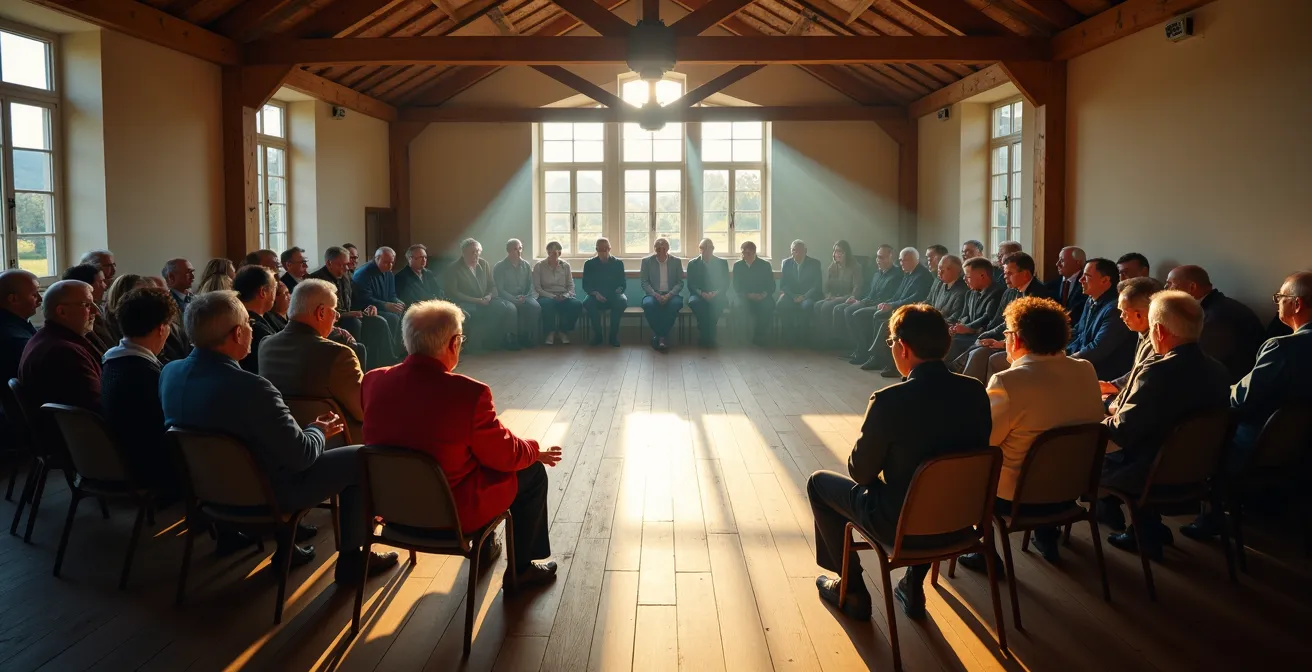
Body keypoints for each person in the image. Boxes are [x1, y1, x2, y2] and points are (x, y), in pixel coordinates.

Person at [161, 290, 398, 577]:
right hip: (266, 495)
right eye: (249, 325)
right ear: (237, 333)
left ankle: (269, 547)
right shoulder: (252, 388)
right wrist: (318, 429)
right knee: (359, 457)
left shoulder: (170, 373)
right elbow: (301, 457)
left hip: (208, 494)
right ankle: (352, 559)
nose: (252, 330)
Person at [362, 300, 562, 590]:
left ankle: (488, 545)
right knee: (529, 473)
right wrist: (533, 450)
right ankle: (521, 571)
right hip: (450, 516)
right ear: (454, 343)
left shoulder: (373, 381)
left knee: (462, 452)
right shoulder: (469, 393)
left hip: (391, 511)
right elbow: (505, 455)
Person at [808, 304, 990, 620]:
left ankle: (851, 590)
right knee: (930, 489)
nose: (891, 348)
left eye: (891, 342)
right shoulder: (975, 391)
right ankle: (912, 582)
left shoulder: (890, 400)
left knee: (819, 483)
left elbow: (860, 473)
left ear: (903, 348)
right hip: (962, 520)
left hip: (901, 526)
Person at [957, 297, 1106, 570]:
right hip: (1072, 489)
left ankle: (984, 552)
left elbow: (984, 442)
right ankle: (1047, 534)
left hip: (1016, 501)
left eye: (1007, 333)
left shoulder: (1008, 381)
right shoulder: (1085, 369)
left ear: (1017, 339)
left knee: (969, 460)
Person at [1181, 271, 1312, 540]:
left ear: (1296, 304)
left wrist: (1217, 388)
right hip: (1298, 444)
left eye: (1280, 297)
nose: (1277, 303)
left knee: (1197, 431)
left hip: (1257, 444)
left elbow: (1241, 398)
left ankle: (1209, 517)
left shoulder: (1283, 347)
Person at [1099, 291, 1230, 559]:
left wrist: (1095, 421)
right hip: (1199, 471)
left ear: (1157, 330)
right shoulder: (1218, 370)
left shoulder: (1157, 371)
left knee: (1085, 453)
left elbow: (1124, 430)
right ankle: (1149, 528)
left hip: (1147, 474)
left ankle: (1141, 529)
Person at [260, 279, 367, 440]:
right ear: (321, 312)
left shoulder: (266, 346)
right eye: (335, 312)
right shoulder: (339, 354)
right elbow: (363, 410)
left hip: (280, 442)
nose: (336, 318)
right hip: (336, 446)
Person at [100, 287, 180, 501]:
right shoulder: (145, 373)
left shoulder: (112, 361)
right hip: (148, 468)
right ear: (162, 329)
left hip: (121, 460)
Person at [954, 252, 1049, 383]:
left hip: (1026, 345)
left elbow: (1031, 331)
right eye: (1005, 273)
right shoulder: (1009, 292)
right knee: (979, 345)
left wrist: (1003, 344)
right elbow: (1001, 321)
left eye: (1010, 273)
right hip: (1007, 339)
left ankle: (980, 394)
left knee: (980, 354)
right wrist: (989, 334)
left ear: (1025, 274)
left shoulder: (1039, 295)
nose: (1005, 277)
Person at [867, 253, 967, 377]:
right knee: (891, 326)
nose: (939, 273)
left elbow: (956, 316)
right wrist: (914, 311)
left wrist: (930, 321)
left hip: (940, 326)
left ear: (953, 270)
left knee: (907, 332)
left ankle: (901, 367)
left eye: (942, 270)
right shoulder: (939, 282)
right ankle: (886, 361)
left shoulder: (962, 290)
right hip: (928, 320)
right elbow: (928, 301)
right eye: (939, 269)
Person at [1165, 264, 1266, 383]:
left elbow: (1203, 363)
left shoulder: (1216, 317)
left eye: (1171, 283)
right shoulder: (1217, 306)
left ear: (1192, 287)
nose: (1166, 288)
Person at [18, 280, 102, 415]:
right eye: (87, 305)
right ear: (62, 311)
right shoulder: (63, 352)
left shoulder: (47, 337)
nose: (95, 312)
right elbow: (97, 407)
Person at [312, 246, 392, 367]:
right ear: (329, 263)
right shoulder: (316, 281)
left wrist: (368, 308)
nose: (346, 269)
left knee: (379, 322)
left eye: (347, 265)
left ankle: (381, 365)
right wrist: (348, 314)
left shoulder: (346, 275)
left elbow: (357, 298)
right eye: (342, 265)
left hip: (352, 315)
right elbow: (320, 312)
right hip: (333, 322)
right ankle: (356, 366)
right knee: (354, 322)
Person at [856, 247, 933, 369]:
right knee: (870, 315)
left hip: (911, 312)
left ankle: (882, 359)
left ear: (915, 260)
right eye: (901, 260)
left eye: (905, 260)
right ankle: (873, 356)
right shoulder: (908, 273)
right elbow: (897, 295)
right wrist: (887, 303)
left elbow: (914, 299)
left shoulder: (922, 276)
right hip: (899, 308)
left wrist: (892, 305)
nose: (901, 263)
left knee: (881, 321)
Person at [1099, 277, 1163, 412]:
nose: (1121, 316)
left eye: (1123, 311)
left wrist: (1108, 403)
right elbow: (1138, 371)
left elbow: (1138, 400)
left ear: (1139, 314)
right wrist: (1113, 385)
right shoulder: (1144, 332)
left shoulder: (1159, 342)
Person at [1066, 258, 1136, 380]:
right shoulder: (1090, 300)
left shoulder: (1115, 309)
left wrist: (1064, 361)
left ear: (1105, 280)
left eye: (1086, 276)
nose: (1080, 280)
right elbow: (1078, 332)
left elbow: (1099, 348)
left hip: (1104, 376)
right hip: (1084, 367)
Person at [444, 238, 518, 351]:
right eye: (472, 252)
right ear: (463, 253)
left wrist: (488, 296)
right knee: (479, 312)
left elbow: (492, 285)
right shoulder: (454, 268)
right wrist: (476, 300)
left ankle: (503, 340)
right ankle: (476, 344)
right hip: (466, 302)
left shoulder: (483, 264)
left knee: (506, 307)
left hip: (485, 299)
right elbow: (454, 293)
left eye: (477, 251)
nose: (475, 255)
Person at [840, 244, 902, 360]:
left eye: (882, 257)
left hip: (882, 305)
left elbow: (893, 297)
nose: (878, 260)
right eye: (877, 257)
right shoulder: (877, 274)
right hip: (870, 302)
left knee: (856, 314)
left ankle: (864, 352)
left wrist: (868, 303)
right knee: (847, 309)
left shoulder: (897, 274)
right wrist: (858, 300)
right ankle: (858, 348)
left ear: (891, 257)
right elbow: (870, 293)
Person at [946, 257, 1005, 363]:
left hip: (982, 335)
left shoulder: (997, 293)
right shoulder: (970, 293)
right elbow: (964, 316)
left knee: (953, 343)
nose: (964, 280)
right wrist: (957, 327)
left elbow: (987, 317)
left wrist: (968, 328)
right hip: (967, 334)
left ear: (982, 276)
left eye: (968, 276)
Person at [353, 246, 405, 353]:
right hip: (367, 310)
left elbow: (391, 294)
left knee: (404, 311)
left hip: (382, 307)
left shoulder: (389, 273)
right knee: (393, 317)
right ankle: (387, 353)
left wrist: (397, 301)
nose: (390, 265)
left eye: (392, 262)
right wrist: (386, 305)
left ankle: (400, 350)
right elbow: (364, 299)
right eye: (386, 262)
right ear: (376, 258)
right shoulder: (363, 274)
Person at [492, 239, 541, 348]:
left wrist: (524, 296)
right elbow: (500, 289)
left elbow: (530, 285)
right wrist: (513, 298)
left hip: (523, 296)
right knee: (512, 309)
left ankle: (526, 336)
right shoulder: (500, 267)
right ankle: (511, 338)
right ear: (508, 250)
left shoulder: (526, 265)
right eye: (515, 249)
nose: (519, 252)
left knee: (535, 306)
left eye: (520, 248)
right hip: (506, 297)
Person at [638, 238, 684, 352]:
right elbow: (644, 282)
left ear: (668, 249)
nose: (661, 251)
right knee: (648, 305)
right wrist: (654, 294)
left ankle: (659, 337)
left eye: (663, 248)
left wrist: (669, 295)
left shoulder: (676, 261)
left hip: (671, 294)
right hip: (653, 294)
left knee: (675, 305)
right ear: (655, 249)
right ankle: (662, 337)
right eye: (658, 249)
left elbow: (680, 282)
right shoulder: (646, 261)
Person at [814, 240, 862, 347]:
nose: (837, 254)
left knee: (826, 306)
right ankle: (820, 338)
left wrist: (840, 299)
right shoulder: (832, 266)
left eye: (840, 251)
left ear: (846, 253)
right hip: (834, 296)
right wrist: (827, 295)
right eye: (835, 251)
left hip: (848, 298)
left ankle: (830, 340)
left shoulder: (855, 267)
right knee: (817, 305)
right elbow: (826, 286)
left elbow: (857, 289)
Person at [533, 241, 582, 345]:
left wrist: (566, 295)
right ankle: (550, 332)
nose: (552, 255)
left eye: (554, 253)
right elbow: (537, 288)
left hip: (563, 295)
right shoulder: (539, 266)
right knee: (548, 304)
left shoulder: (565, 266)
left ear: (559, 253)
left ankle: (563, 331)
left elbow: (571, 285)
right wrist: (552, 296)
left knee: (576, 305)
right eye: (549, 252)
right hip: (547, 295)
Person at [233, 265, 280, 374]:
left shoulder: (234, 317)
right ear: (263, 291)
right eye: (275, 287)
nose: (275, 294)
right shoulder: (254, 328)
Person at [775, 240, 823, 345]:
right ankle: (789, 336)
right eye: (793, 250)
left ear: (805, 251)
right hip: (792, 295)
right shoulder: (787, 263)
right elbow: (783, 285)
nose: (796, 253)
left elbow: (816, 286)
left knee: (807, 306)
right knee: (782, 304)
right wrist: (793, 296)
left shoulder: (814, 263)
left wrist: (804, 296)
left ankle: (803, 337)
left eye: (799, 251)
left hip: (809, 295)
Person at [582, 238, 627, 347]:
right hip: (595, 295)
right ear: (596, 249)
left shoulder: (618, 263)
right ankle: (598, 336)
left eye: (606, 248)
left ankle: (613, 336)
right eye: (600, 249)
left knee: (622, 302)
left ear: (609, 248)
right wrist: (595, 293)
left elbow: (622, 283)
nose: (604, 251)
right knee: (588, 303)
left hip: (613, 295)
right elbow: (586, 285)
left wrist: (619, 290)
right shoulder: (589, 264)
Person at [685, 238, 730, 347]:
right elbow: (691, 284)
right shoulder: (693, 263)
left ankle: (706, 335)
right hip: (698, 295)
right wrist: (702, 293)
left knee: (719, 303)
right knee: (697, 304)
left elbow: (725, 283)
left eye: (711, 248)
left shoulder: (722, 263)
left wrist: (715, 293)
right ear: (700, 249)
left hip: (717, 294)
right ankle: (710, 336)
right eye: (706, 248)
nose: (709, 251)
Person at [0, 269, 40, 388]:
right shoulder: (16, 339)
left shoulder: (16, 324)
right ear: (13, 299)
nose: (40, 300)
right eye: (34, 295)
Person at [62, 263, 112, 356]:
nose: (105, 286)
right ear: (86, 286)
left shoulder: (99, 309)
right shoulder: (82, 320)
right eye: (100, 282)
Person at [732, 240, 775, 346]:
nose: (744, 255)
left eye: (746, 253)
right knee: (739, 305)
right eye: (742, 253)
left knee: (768, 305)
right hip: (744, 296)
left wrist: (764, 294)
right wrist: (748, 295)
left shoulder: (765, 265)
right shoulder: (738, 266)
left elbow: (771, 285)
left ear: (753, 252)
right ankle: (742, 337)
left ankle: (759, 336)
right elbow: (736, 286)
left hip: (762, 296)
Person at [1048, 246, 1088, 324]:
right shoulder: (1050, 285)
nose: (1057, 264)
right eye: (1058, 260)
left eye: (1062, 260)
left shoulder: (1087, 284)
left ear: (1078, 262)